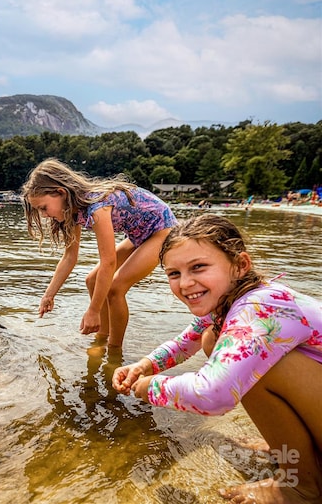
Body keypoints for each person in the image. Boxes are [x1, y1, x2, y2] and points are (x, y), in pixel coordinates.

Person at [112, 214, 322, 504]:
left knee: (257, 362)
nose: (185, 283)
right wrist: (144, 365)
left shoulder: (258, 308)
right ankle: (291, 449)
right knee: (215, 338)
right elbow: (188, 341)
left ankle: (303, 487)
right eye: (174, 274)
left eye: (198, 267)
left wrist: (148, 387)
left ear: (240, 265)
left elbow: (212, 395)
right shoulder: (237, 297)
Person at [21, 158, 177, 348]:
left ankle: (114, 350)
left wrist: (93, 310)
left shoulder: (98, 208)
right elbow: (70, 257)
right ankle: (102, 337)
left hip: (162, 229)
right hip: (139, 234)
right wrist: (49, 294)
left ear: (61, 192)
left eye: (43, 208)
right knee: (92, 280)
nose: (44, 215)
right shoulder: (74, 212)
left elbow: (108, 262)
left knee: (115, 288)